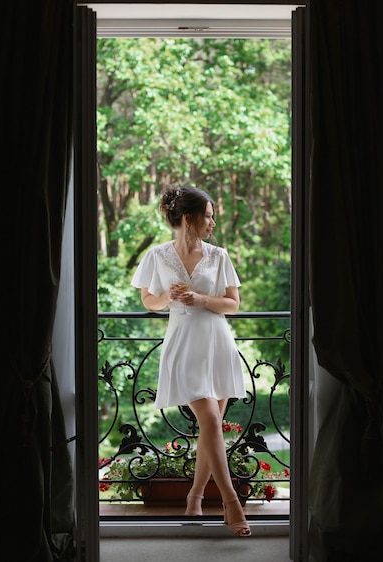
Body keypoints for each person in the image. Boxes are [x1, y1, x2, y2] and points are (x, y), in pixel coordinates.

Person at [130, 184, 251, 537]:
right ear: (188, 218)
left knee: (209, 429)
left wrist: (200, 299)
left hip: (218, 345)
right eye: (208, 215)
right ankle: (231, 503)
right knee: (211, 421)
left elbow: (233, 305)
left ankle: (195, 497)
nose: (213, 222)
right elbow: (148, 301)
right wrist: (167, 297)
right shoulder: (157, 256)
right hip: (183, 345)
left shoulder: (219, 255)